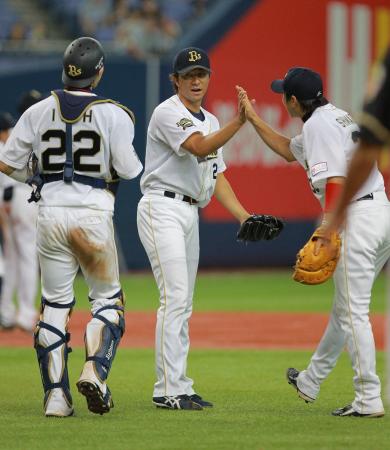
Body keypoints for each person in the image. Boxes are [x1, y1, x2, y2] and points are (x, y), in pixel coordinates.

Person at [0, 36, 142, 417]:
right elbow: (130, 169)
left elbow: (8, 162)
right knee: (108, 301)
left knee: (55, 304)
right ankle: (94, 371)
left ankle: (56, 398)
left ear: (65, 70)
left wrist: (37, 174)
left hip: (49, 212)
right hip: (92, 213)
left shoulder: (37, 110)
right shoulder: (115, 113)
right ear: (99, 72)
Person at [238, 66, 390, 417]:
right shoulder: (332, 116)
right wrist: (253, 119)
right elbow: (288, 150)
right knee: (344, 311)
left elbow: (335, 179)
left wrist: (326, 229)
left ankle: (368, 398)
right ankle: (311, 380)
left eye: (283, 95)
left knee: (353, 313)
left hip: (358, 219)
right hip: (379, 213)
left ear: (293, 101)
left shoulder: (317, 125)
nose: (283, 99)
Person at [137, 47, 281, 410]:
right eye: (188, 75)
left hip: (188, 212)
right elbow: (199, 147)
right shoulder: (167, 112)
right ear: (175, 80)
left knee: (183, 303)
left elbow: (216, 177)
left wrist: (244, 216)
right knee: (174, 298)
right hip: (161, 208)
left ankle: (180, 384)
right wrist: (241, 121)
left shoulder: (213, 120)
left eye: (201, 73)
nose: (196, 80)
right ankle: (167, 389)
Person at [0, 93, 44, 332]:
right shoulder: (35, 130)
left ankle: (6, 311)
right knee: (27, 258)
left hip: (10, 200)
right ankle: (26, 314)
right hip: (23, 196)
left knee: (13, 259)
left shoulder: (19, 131)